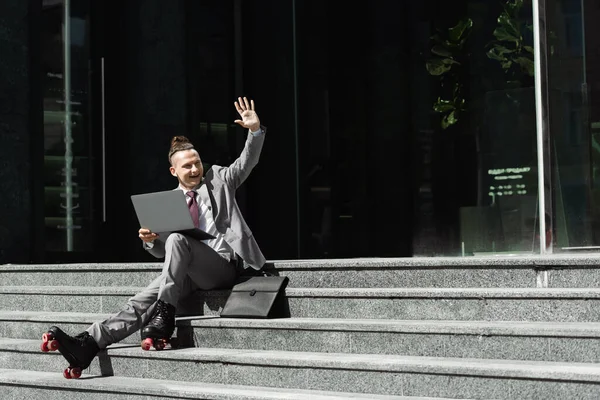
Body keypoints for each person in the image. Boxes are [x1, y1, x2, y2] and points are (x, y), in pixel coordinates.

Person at [41, 96, 267, 378]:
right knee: (143, 298)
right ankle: (87, 343)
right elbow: (162, 253)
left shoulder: (220, 179)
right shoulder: (169, 202)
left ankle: (164, 314)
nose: (195, 169)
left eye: (197, 163)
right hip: (185, 273)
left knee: (177, 243)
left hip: (222, 267)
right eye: (187, 166)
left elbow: (248, 161)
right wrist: (149, 240)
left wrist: (254, 131)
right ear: (174, 171)